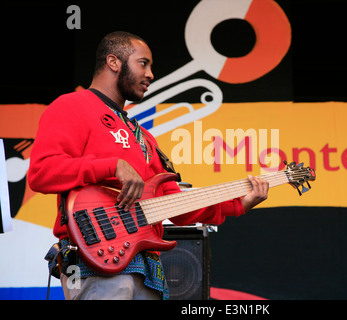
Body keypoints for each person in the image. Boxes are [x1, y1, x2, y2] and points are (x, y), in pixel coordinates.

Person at [28, 31, 269, 300]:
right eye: (144, 63)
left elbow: (174, 205)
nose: (151, 74)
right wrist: (111, 166)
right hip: (95, 261)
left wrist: (238, 204)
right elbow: (41, 173)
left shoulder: (143, 137)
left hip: (148, 270)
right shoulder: (72, 106)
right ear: (113, 62)